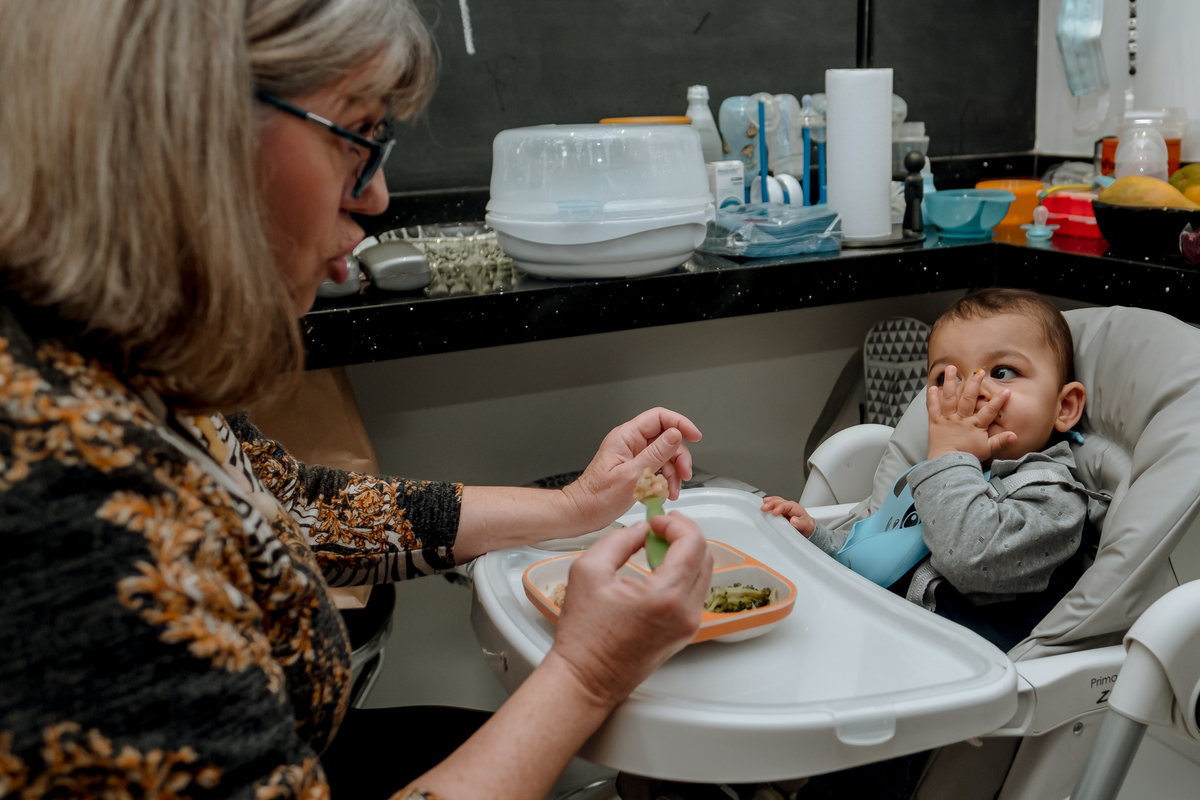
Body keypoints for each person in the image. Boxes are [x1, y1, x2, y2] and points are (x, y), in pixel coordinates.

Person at [0, 3, 713, 800]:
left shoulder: (125, 360)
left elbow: (300, 507)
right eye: (356, 133)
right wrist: (588, 672)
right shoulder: (61, 511)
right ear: (187, 127)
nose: (375, 196)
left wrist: (579, 505)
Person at [762, 288, 1096, 652]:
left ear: (1064, 407)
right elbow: (892, 549)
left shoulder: (1053, 499)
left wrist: (950, 455)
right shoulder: (941, 471)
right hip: (876, 633)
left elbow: (968, 556)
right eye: (946, 378)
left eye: (1002, 372)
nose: (972, 391)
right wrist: (821, 542)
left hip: (954, 674)